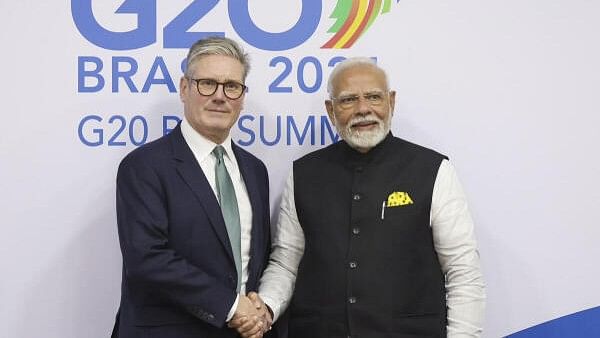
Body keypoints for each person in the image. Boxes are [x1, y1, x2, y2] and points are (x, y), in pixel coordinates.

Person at [257, 57, 486, 337]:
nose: (363, 109)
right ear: (331, 110)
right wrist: (265, 306)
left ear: (391, 101)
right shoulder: (303, 173)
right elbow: (286, 262)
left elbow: (462, 270)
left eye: (374, 97)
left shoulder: (433, 170)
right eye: (348, 100)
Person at [111, 37, 273, 338]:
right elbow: (147, 259)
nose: (220, 96)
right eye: (207, 83)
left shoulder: (255, 170)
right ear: (185, 88)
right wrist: (230, 305)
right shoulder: (144, 166)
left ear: (242, 96)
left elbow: (256, 260)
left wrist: (256, 310)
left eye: (232, 86)